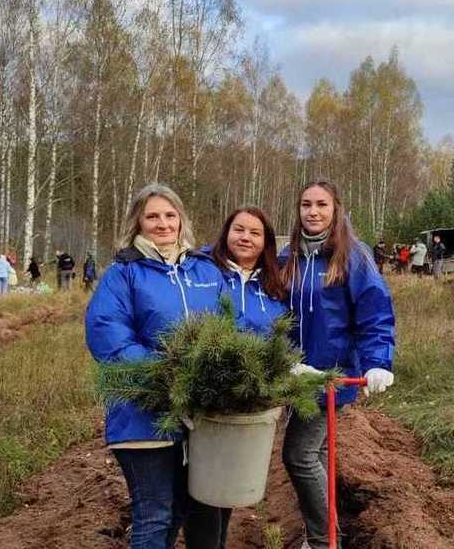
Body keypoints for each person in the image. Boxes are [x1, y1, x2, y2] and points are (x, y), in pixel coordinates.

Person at [85, 183, 225, 549]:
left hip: (194, 416)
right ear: (138, 223)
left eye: (169, 215)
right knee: (154, 512)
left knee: (179, 508)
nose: (162, 224)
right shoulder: (124, 273)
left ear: (181, 220)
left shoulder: (203, 271)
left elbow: (231, 326)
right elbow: (108, 335)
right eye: (152, 216)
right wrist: (164, 373)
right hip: (142, 413)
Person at [279, 180, 395, 549]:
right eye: (306, 204)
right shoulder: (289, 257)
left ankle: (320, 541)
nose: (313, 212)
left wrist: (378, 361)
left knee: (297, 455)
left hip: (331, 376)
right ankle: (329, 534)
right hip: (296, 375)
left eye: (321, 205)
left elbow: (374, 313)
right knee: (315, 454)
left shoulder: (353, 255)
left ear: (336, 209)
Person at [184, 206, 288, 549]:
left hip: (250, 399)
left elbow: (282, 338)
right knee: (203, 491)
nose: (245, 237)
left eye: (255, 233)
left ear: (266, 242)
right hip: (207, 395)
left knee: (226, 487)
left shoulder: (273, 285)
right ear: (226, 233)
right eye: (238, 230)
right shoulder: (203, 271)